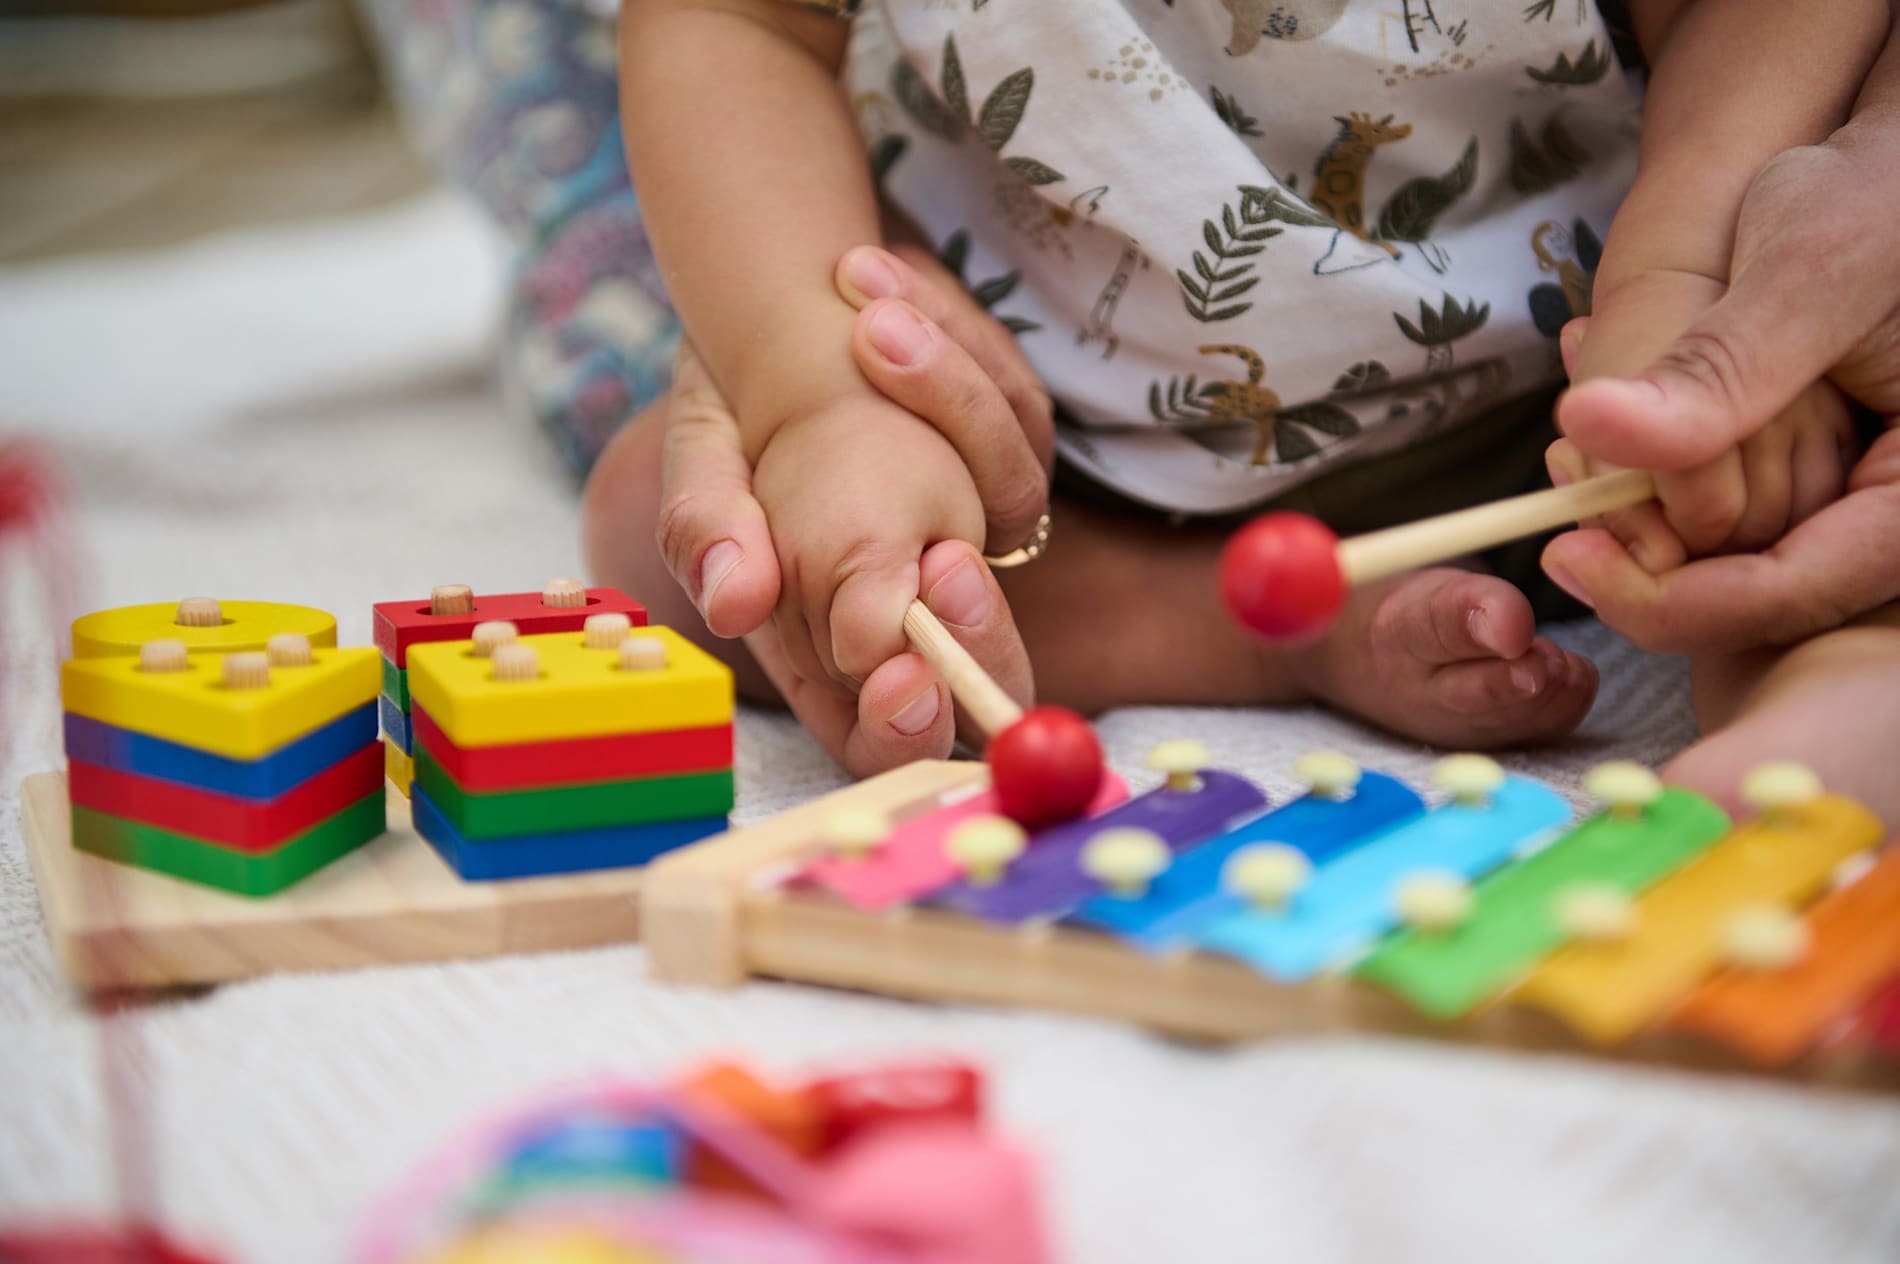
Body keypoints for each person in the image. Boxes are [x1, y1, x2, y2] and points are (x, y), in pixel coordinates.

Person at [579, 0, 1900, 825]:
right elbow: (739, 22)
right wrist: (819, 391)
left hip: (1586, 370)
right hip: (1058, 433)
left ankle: (1843, 684)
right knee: (679, 524)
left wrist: (1688, 273)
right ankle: (1263, 638)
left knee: (1806, 449)